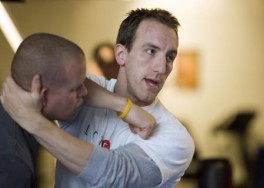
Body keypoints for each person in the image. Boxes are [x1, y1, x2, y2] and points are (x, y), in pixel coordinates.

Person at [2, 8, 195, 187]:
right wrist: (124, 107)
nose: (162, 68)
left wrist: (34, 122)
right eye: (151, 51)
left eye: (170, 57)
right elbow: (29, 75)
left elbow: (116, 173)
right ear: (121, 54)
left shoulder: (176, 138)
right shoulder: (84, 94)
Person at [0, 32, 156, 188]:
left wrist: (125, 107)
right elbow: (114, 174)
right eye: (75, 89)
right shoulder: (13, 167)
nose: (85, 92)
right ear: (43, 94)